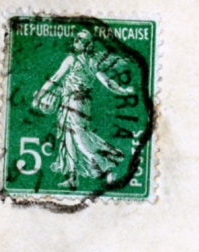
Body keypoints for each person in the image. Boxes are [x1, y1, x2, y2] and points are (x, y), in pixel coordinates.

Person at [32, 29, 130, 189]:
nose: (75, 42)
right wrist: (122, 90)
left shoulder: (72, 59)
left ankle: (108, 166)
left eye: (78, 40)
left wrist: (38, 97)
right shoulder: (91, 62)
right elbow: (107, 82)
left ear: (84, 45)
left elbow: (55, 78)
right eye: (75, 39)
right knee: (69, 138)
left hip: (74, 102)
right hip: (79, 102)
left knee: (79, 138)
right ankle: (72, 177)